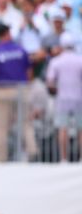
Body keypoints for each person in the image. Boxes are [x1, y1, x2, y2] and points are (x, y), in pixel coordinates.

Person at [0, 24, 38, 162]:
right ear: (7, 33)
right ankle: (31, 153)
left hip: (5, 90)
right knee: (26, 123)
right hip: (22, 89)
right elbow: (29, 71)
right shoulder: (21, 50)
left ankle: (2, 156)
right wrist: (26, 85)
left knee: (1, 126)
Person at [46, 33, 82, 162]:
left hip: (62, 98)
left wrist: (54, 91)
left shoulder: (56, 61)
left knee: (63, 128)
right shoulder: (80, 60)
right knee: (80, 129)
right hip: (79, 97)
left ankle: (63, 158)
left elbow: (50, 81)